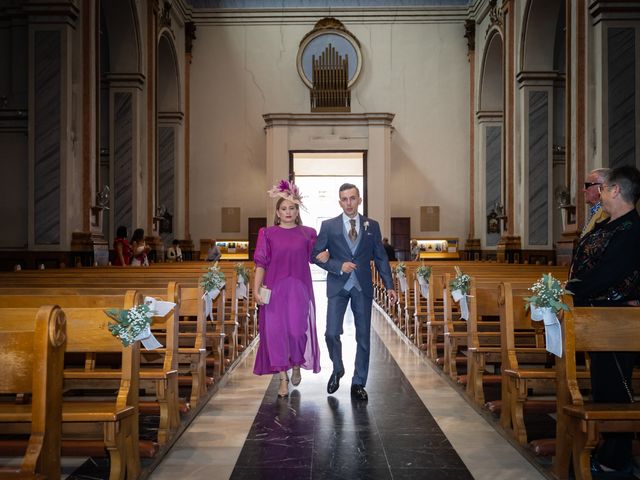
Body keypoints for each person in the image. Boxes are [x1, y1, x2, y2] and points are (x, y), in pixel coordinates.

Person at [566, 165, 640, 475]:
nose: (601, 195)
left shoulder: (631, 230)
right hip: (597, 317)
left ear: (617, 191)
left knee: (615, 388)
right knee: (605, 385)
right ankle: (609, 451)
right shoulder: (607, 226)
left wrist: (567, 291)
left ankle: (615, 460)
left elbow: (608, 273)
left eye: (605, 189)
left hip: (616, 319)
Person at [312, 183, 397, 402]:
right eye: (344, 199)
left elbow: (380, 257)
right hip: (338, 287)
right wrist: (337, 265)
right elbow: (315, 255)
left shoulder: (372, 226)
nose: (348, 203)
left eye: (352, 198)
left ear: (359, 199)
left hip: (362, 287)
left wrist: (389, 286)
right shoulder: (329, 226)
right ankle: (338, 368)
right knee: (331, 332)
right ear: (339, 202)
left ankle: (358, 382)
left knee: (363, 337)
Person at [253, 180, 325, 398]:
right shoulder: (267, 233)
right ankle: (282, 378)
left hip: (299, 291)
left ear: (297, 210)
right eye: (283, 208)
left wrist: (327, 255)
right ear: (277, 211)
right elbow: (260, 264)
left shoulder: (308, 233)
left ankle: (296, 364)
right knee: (276, 335)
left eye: (292, 208)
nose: (288, 212)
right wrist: (256, 290)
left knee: (296, 332)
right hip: (274, 292)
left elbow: (317, 258)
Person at [581, 167, 610, 237]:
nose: (583, 190)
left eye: (587, 185)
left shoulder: (608, 212)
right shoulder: (595, 211)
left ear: (602, 187)